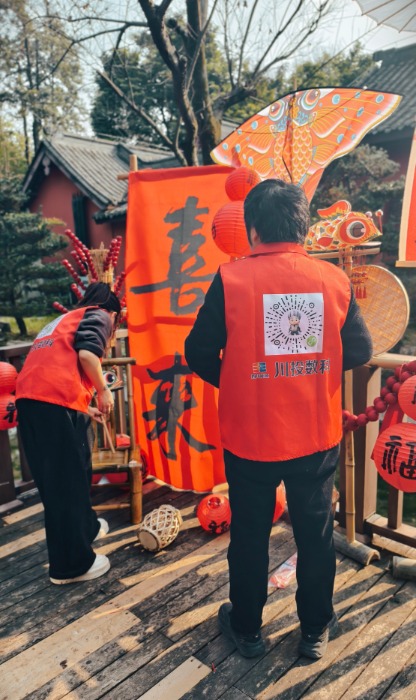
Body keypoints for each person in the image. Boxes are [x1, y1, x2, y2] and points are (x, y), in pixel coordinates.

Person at [184, 179, 373, 660]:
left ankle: (247, 629)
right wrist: (313, 373)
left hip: (250, 436)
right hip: (315, 434)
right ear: (303, 228)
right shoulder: (333, 280)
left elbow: (198, 351)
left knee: (249, 534)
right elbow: (361, 350)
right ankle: (315, 629)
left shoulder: (230, 279)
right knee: (315, 534)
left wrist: (241, 383)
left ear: (252, 229)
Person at [15, 282, 121, 584]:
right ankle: (72, 566)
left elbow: (56, 366)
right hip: (52, 405)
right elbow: (87, 355)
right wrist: (104, 391)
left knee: (71, 474)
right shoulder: (100, 314)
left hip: (32, 402)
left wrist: (86, 408)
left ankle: (87, 528)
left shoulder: (63, 320)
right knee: (66, 482)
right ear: (114, 312)